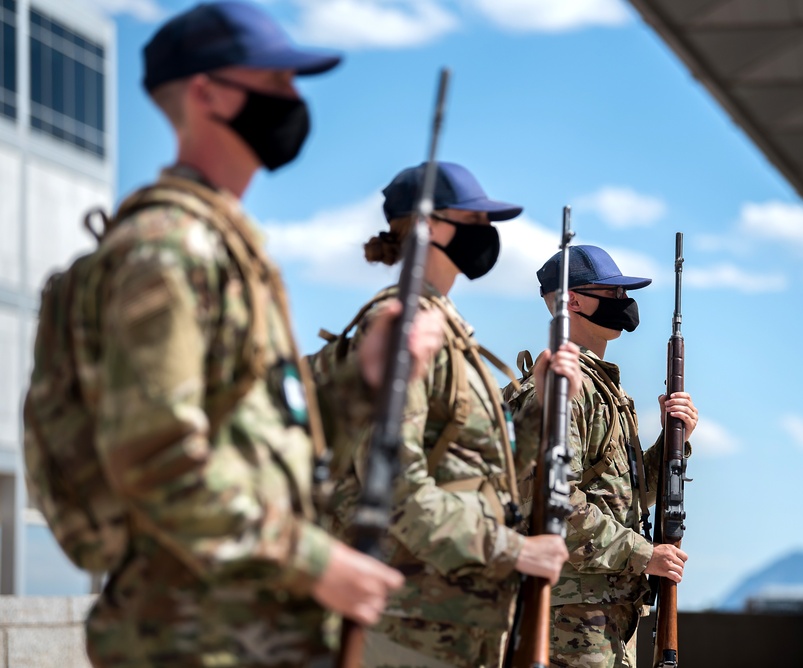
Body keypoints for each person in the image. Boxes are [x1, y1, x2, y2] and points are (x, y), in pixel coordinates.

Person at [85, 3, 407, 665]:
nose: (294, 100)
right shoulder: (168, 251)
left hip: (244, 630)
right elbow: (156, 461)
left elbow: (262, 448)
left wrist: (359, 385)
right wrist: (319, 562)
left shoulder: (224, 246)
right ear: (207, 92)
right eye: (276, 82)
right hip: (189, 636)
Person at [317, 162, 576, 668]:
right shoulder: (402, 330)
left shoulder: (447, 331)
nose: (487, 234)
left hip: (457, 627)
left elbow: (482, 473)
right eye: (473, 219)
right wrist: (515, 552)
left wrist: (540, 405)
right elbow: (395, 491)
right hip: (408, 629)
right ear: (430, 227)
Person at [504, 245, 699, 668]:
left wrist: (674, 440)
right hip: (570, 621)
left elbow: (625, 495)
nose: (623, 303)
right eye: (611, 293)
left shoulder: (604, 390)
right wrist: (643, 555)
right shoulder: (561, 390)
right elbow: (555, 505)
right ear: (573, 301)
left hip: (605, 616)